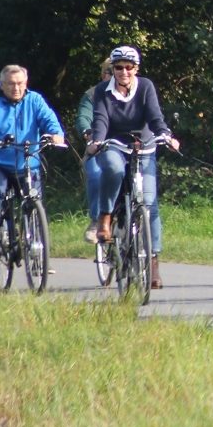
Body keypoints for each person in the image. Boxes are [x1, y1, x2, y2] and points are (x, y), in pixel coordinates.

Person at [87, 46, 179, 289]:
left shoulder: (145, 86)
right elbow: (100, 118)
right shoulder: (102, 91)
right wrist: (97, 140)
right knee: (114, 169)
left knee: (148, 202)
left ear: (136, 69)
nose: (124, 72)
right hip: (114, 143)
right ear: (113, 70)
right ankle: (105, 217)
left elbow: (154, 115)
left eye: (129, 67)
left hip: (143, 145)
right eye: (119, 67)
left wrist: (165, 135)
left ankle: (153, 261)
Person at [0, 65, 65, 251]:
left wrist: (55, 133)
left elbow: (49, 119)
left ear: (26, 83)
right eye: (11, 84)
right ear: (2, 84)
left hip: (27, 161)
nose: (16, 88)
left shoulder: (34, 99)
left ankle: (37, 244)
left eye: (20, 83)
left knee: (34, 198)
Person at [75, 58, 112, 243]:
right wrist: (88, 133)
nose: (114, 76)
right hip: (99, 147)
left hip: (126, 148)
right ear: (102, 74)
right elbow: (83, 117)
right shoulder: (92, 95)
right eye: (109, 72)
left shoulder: (135, 92)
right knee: (96, 173)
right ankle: (96, 220)